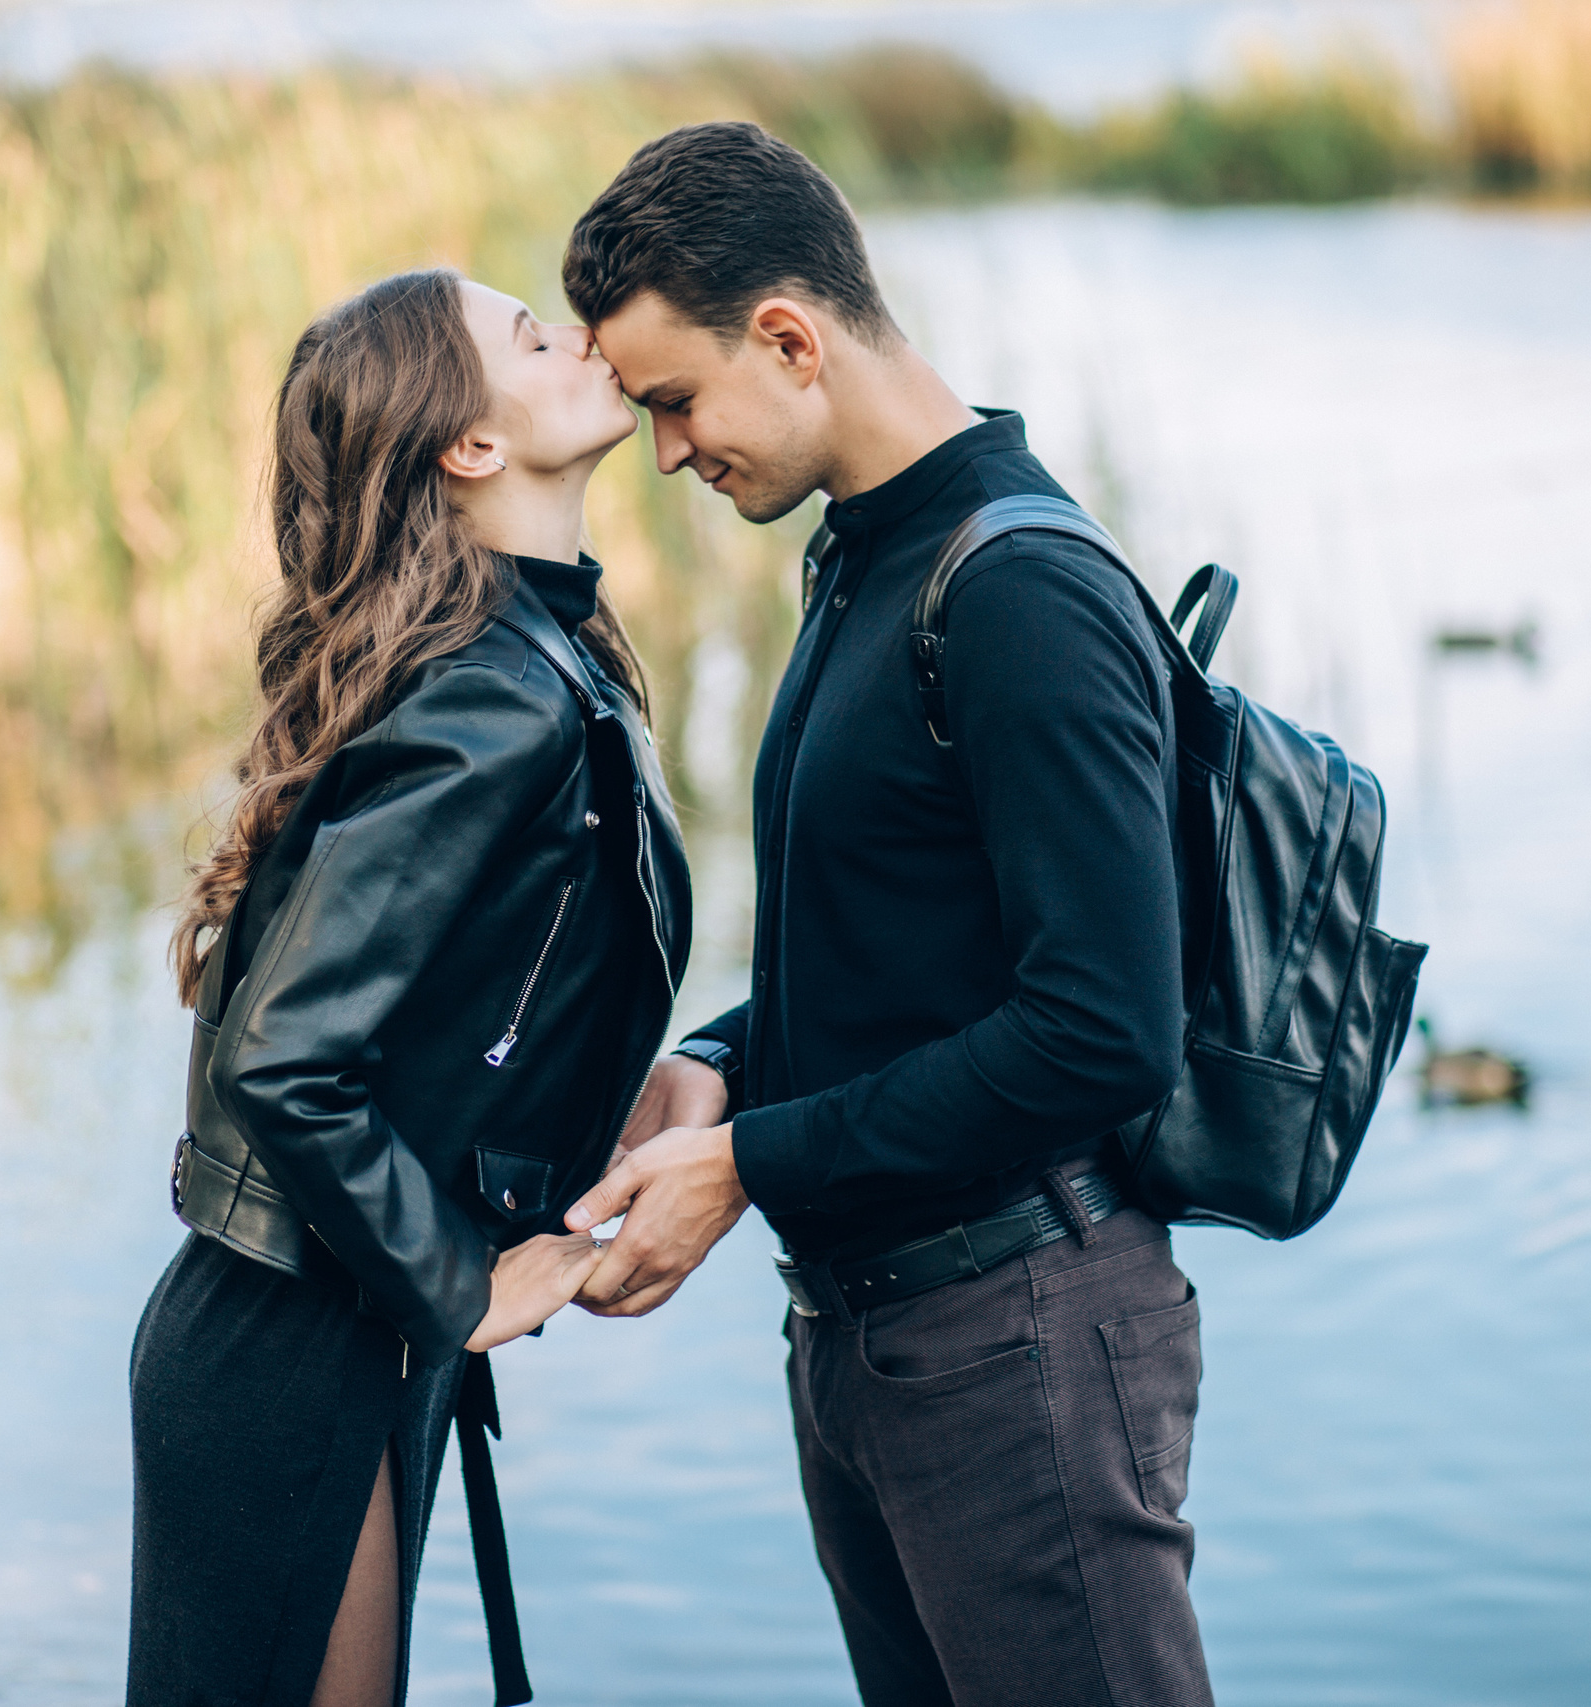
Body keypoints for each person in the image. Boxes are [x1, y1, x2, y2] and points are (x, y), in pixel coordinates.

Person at [559, 124, 1213, 1707]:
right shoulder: (862, 557)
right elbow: (901, 950)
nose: (665, 453)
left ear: (788, 337)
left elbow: (1106, 1032)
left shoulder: (1018, 592)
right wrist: (726, 1065)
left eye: (672, 402)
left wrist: (748, 1166)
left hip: (1024, 1334)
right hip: (876, 1342)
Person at [128, 267, 692, 1707]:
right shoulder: (494, 693)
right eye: (529, 335)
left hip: (329, 1317)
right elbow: (284, 1054)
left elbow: (454, 1008)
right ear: (472, 446)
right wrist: (464, 1283)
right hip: (291, 1338)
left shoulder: (529, 654)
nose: (575, 337)